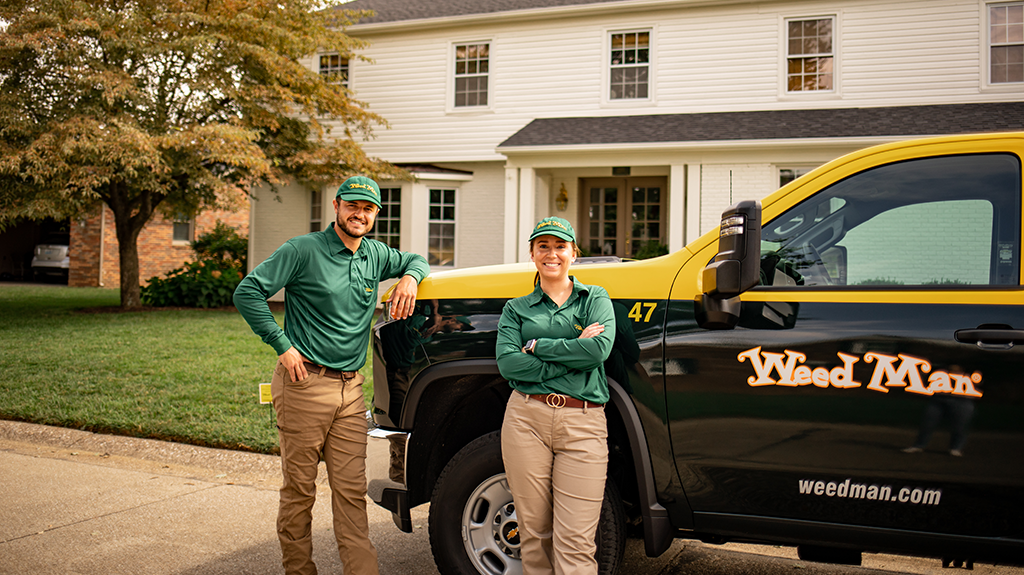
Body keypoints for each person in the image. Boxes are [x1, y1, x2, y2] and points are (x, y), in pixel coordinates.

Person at [233, 175, 430, 575]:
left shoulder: (375, 254)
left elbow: (416, 260)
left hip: (350, 391)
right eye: (353, 205)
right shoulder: (302, 250)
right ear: (337, 206)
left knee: (352, 493)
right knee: (299, 492)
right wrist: (282, 345)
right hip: (303, 384)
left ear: (376, 214)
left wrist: (410, 278)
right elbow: (247, 292)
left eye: (369, 208)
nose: (360, 214)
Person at [496, 216, 616, 575]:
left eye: (560, 246)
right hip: (525, 420)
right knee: (534, 535)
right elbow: (509, 364)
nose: (552, 254)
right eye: (543, 246)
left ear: (573, 253)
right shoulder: (516, 308)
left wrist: (538, 346)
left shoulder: (595, 297)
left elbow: (598, 351)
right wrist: (573, 351)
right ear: (532, 254)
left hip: (584, 423)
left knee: (576, 542)